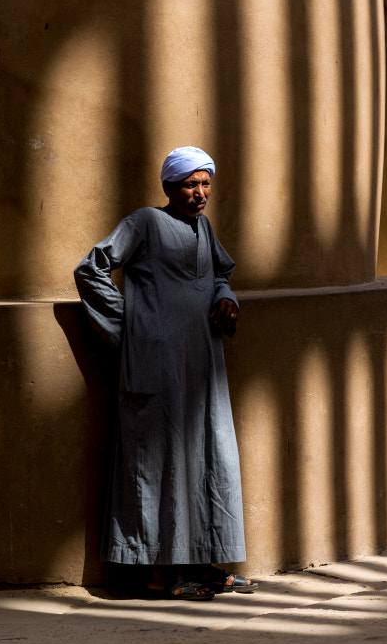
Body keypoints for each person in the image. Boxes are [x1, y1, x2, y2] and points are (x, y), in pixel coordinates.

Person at [74, 146, 256, 600]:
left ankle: (202, 563)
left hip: (201, 364)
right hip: (155, 365)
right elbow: (90, 270)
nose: (200, 193)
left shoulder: (203, 227)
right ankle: (159, 574)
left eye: (205, 183)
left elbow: (219, 272)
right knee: (162, 465)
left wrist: (225, 296)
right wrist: (130, 325)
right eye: (191, 184)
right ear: (169, 187)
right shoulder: (144, 223)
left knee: (207, 458)